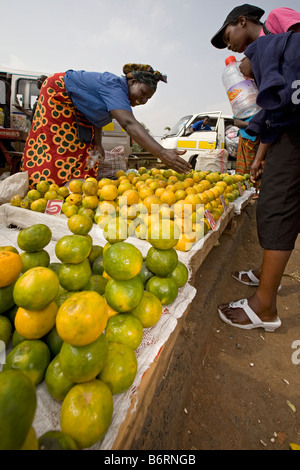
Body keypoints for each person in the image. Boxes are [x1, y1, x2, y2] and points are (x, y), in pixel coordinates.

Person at [210, 5, 300, 331]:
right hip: (283, 130)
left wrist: (261, 53)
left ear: (242, 21)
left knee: (277, 206)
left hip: (295, 131)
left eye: (227, 36)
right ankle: (267, 277)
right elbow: (274, 110)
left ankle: (264, 306)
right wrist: (261, 157)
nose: (228, 44)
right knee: (276, 205)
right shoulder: (254, 64)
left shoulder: (275, 22)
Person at [21, 64, 191, 187]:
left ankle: (74, 186)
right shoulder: (114, 85)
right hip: (58, 95)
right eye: (143, 93)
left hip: (78, 109)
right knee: (59, 145)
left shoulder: (118, 95)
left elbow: (95, 115)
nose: (143, 100)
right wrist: (161, 152)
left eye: (148, 98)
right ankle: (43, 185)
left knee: (86, 148)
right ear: (132, 83)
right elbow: (128, 123)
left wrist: (98, 142)